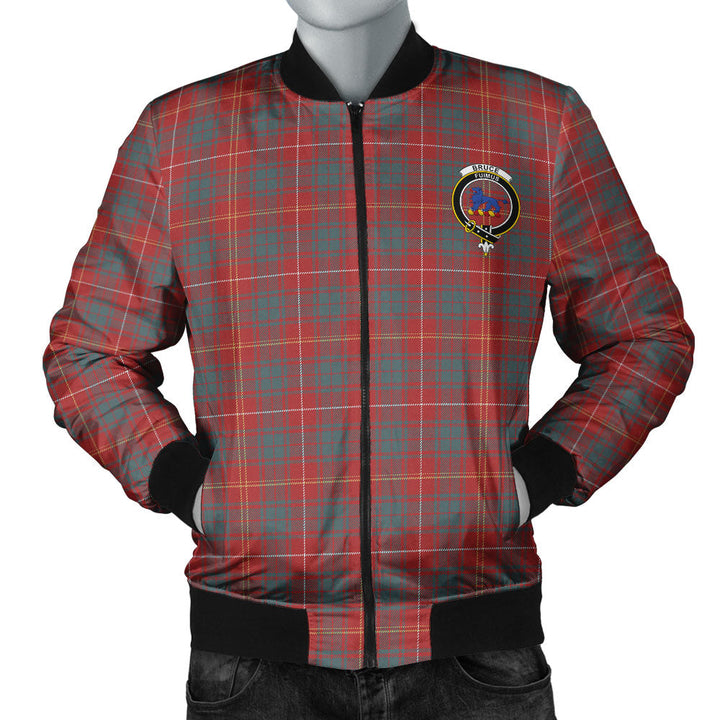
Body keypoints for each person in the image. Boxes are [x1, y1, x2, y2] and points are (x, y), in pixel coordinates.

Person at [41, 1, 694, 718]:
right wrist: (191, 486)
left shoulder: (536, 123)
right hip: (254, 654)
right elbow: (89, 350)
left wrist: (532, 480)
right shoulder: (182, 136)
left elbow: (644, 336)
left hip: (476, 651)